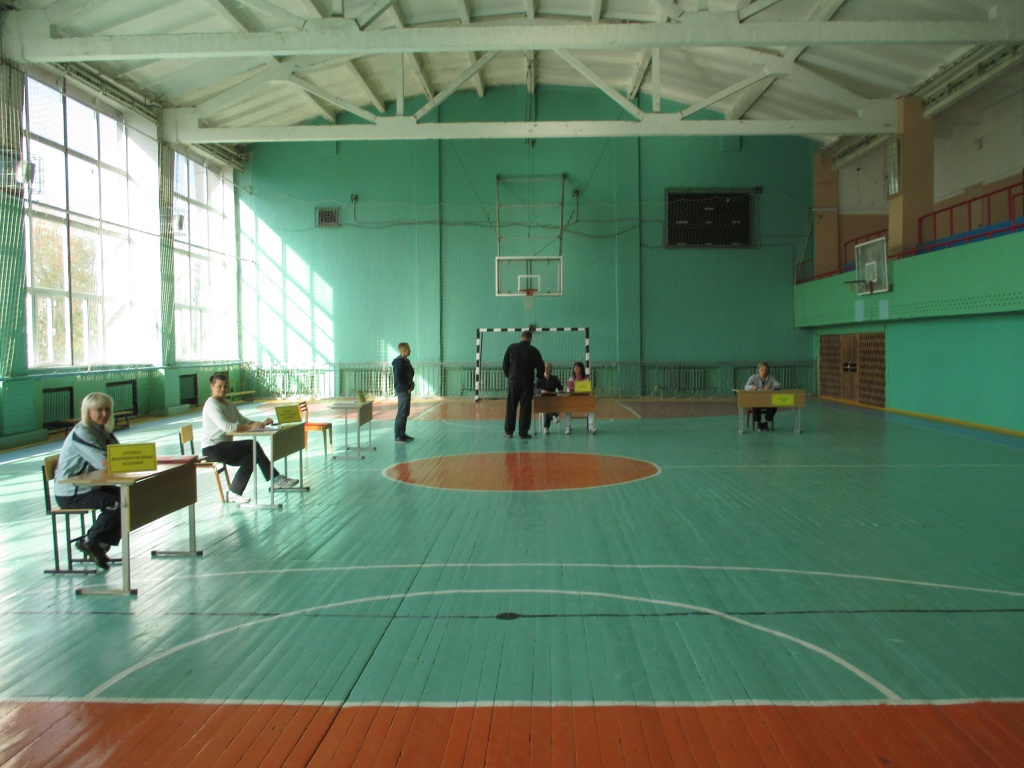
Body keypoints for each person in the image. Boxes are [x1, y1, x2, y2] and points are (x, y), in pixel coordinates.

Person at [201, 373, 298, 502]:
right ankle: (276, 479)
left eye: (225, 386)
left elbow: (243, 421)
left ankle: (233, 492)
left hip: (225, 446)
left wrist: (260, 424)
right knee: (252, 445)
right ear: (212, 387)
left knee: (251, 458)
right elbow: (227, 427)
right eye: (219, 386)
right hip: (213, 449)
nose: (223, 389)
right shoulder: (211, 404)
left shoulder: (229, 404)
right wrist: (251, 426)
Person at [54, 392, 121, 570]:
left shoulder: (102, 431)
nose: (104, 414)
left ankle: (99, 545)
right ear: (87, 412)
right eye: (99, 410)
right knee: (118, 503)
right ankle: (90, 541)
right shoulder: (82, 432)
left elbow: (119, 453)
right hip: (71, 493)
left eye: (107, 409)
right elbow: (103, 462)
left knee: (130, 497)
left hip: (91, 487)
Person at [502, 329, 545, 438]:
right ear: (530, 338)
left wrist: (509, 375)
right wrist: (539, 377)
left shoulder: (512, 347)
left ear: (521, 337)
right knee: (525, 407)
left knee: (511, 406)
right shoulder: (533, 350)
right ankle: (523, 432)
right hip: (527, 382)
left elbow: (505, 364)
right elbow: (541, 366)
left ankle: (509, 432)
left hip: (513, 382)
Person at [744, 361, 782, 431]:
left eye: (765, 370)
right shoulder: (753, 377)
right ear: (758, 369)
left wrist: (771, 386)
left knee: (774, 405)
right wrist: (752, 387)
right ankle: (758, 423)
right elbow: (746, 387)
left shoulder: (770, 378)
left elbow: (779, 385)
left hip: (767, 401)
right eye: (762, 369)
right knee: (755, 405)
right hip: (757, 400)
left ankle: (765, 422)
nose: (764, 371)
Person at [564, 361, 597, 434]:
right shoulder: (571, 378)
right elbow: (570, 387)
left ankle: (591, 426)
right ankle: (567, 427)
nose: (575, 368)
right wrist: (580, 389)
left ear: (581, 368)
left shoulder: (586, 378)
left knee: (591, 406)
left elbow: (588, 390)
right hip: (573, 399)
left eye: (577, 367)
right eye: (574, 367)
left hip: (584, 399)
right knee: (568, 408)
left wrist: (577, 389)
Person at [392, 342, 415, 443]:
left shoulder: (406, 361)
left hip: (406, 389)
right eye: (408, 349)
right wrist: (407, 387)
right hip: (402, 390)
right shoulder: (399, 362)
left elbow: (410, 373)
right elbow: (398, 378)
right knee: (401, 412)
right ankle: (398, 435)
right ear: (404, 350)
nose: (410, 350)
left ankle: (402, 433)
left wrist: (411, 384)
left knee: (405, 412)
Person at [534, 362, 563, 434]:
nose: (546, 369)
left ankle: (546, 427)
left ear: (551, 369)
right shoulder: (539, 378)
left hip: (553, 400)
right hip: (543, 400)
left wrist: (564, 388)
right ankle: (553, 415)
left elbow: (560, 388)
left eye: (548, 367)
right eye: (544, 367)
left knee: (548, 407)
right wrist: (541, 390)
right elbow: (534, 389)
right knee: (546, 405)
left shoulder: (555, 379)